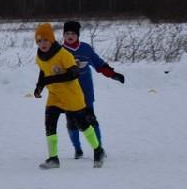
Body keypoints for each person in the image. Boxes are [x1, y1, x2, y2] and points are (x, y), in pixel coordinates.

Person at [33, 22, 104, 169]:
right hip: (54, 96)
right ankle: (53, 159)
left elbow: (73, 74)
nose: (42, 44)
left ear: (51, 39)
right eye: (39, 41)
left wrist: (49, 80)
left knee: (82, 125)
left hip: (72, 95)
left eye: (45, 40)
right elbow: (43, 71)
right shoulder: (40, 57)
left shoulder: (63, 54)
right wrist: (39, 86)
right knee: (49, 125)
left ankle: (98, 150)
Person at [60, 20, 125, 158]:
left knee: (91, 120)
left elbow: (99, 64)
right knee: (72, 123)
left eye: (73, 33)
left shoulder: (86, 49)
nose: (70, 36)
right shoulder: (59, 51)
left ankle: (99, 148)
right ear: (63, 35)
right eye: (67, 33)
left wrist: (113, 74)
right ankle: (77, 150)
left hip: (86, 92)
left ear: (78, 35)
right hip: (69, 94)